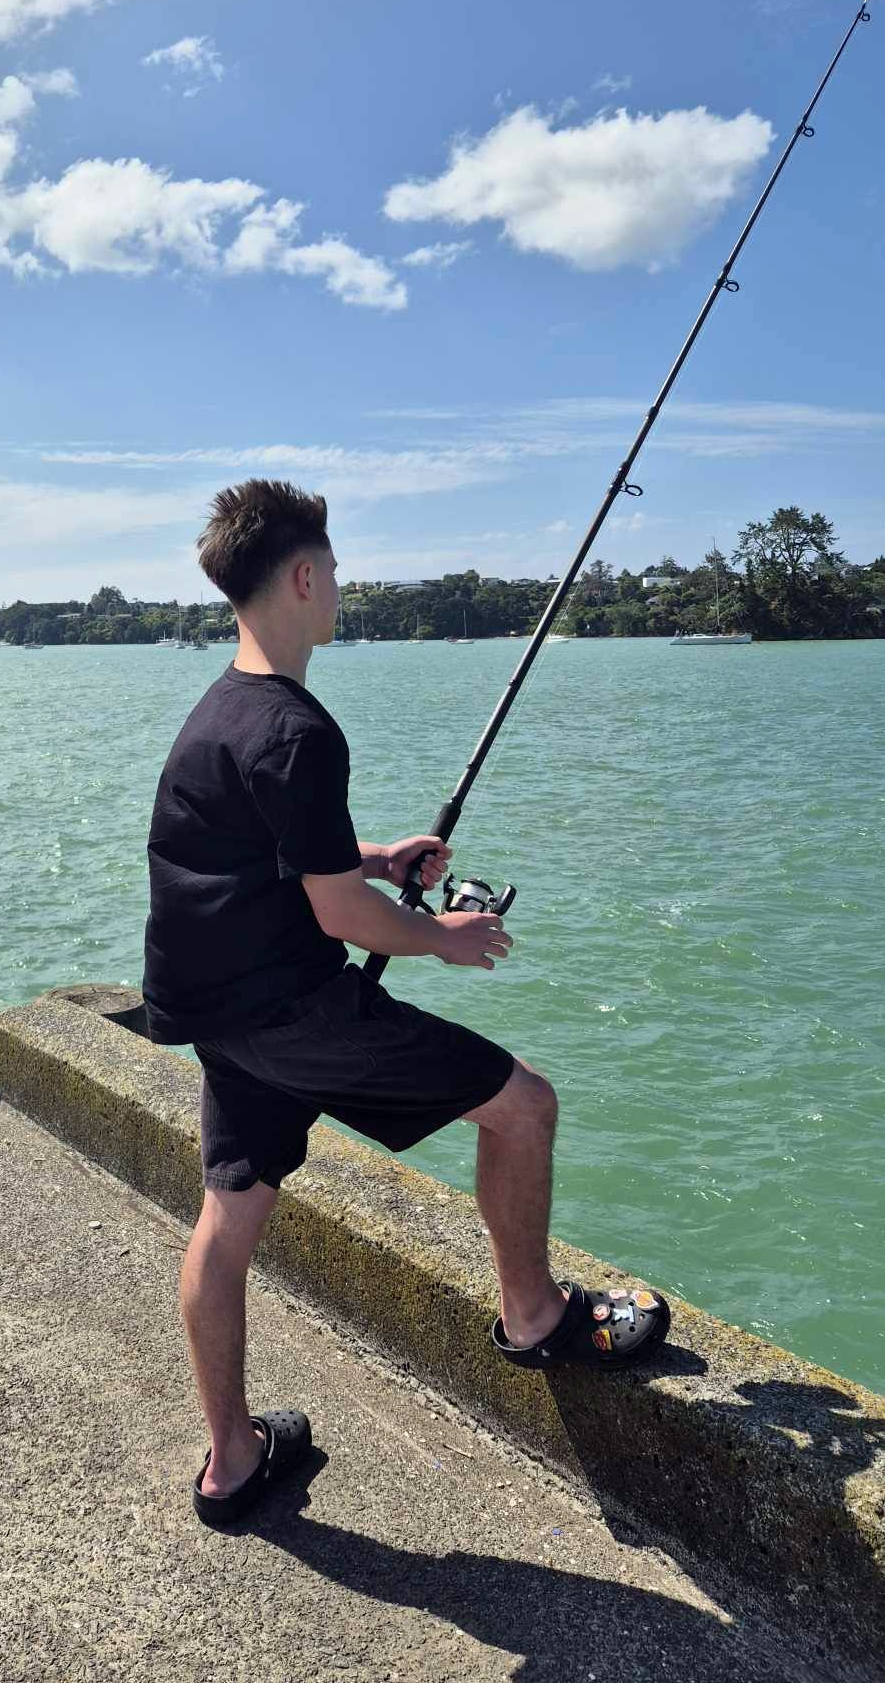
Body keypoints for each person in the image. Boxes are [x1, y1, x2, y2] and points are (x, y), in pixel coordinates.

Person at [142, 480, 670, 1530]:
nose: (340, 583)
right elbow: (341, 915)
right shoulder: (297, 729)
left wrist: (381, 854)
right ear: (300, 577)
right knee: (524, 1104)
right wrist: (445, 936)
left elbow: (290, 860)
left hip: (221, 1014)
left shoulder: (222, 709)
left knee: (231, 1213)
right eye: (332, 567)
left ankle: (232, 1461)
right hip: (294, 1009)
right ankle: (531, 1315)